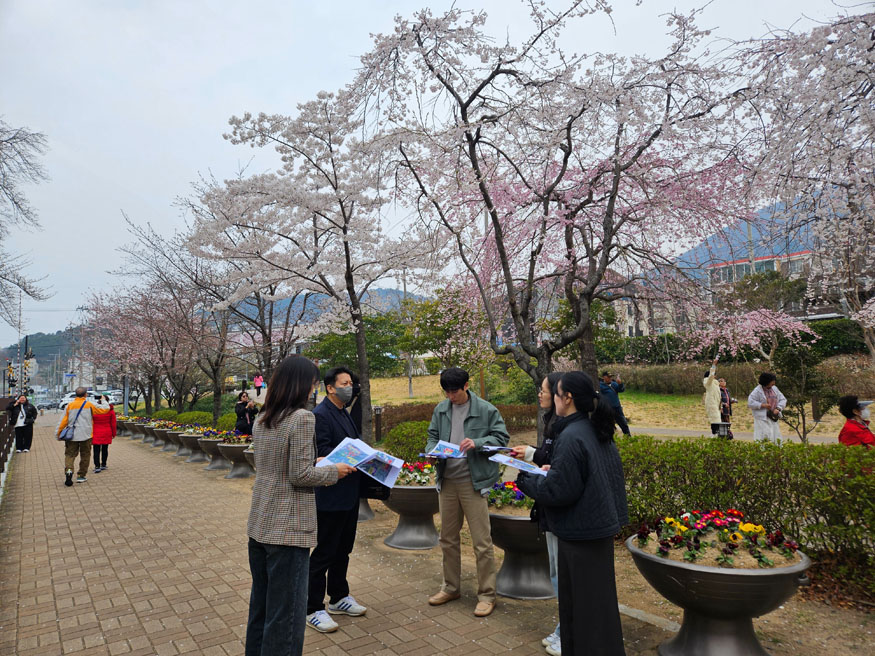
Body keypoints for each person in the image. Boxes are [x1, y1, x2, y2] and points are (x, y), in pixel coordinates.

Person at [245, 356, 356, 656]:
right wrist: (334, 471)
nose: (313, 388)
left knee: (261, 609)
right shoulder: (303, 418)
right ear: (301, 384)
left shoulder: (263, 417)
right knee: (287, 617)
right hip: (288, 529)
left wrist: (315, 462)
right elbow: (300, 475)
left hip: (260, 524)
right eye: (313, 382)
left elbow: (277, 465)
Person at [517, 371, 628, 656]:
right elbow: (585, 476)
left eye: (555, 393)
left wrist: (525, 479)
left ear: (567, 398)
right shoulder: (594, 428)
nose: (551, 398)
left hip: (580, 535)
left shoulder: (570, 435)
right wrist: (554, 471)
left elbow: (559, 491)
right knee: (598, 607)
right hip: (598, 529)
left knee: (580, 610)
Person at [425, 367, 509, 618]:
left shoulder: (486, 409)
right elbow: (432, 436)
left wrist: (478, 443)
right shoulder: (441, 409)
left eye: (455, 392)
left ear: (466, 386)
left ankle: (487, 595)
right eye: (447, 392)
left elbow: (501, 438)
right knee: (447, 538)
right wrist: (431, 450)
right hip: (447, 480)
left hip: (474, 481)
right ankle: (450, 588)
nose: (451, 396)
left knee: (481, 542)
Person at [306, 366, 366, 633]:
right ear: (330, 388)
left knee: (343, 549)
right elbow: (321, 451)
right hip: (330, 494)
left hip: (349, 493)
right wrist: (353, 454)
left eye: (351, 383)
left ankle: (339, 597)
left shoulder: (343, 412)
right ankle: (312, 607)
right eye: (345, 383)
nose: (350, 387)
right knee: (325, 552)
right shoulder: (320, 415)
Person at [509, 372, 563, 654]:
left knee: (562, 574)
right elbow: (550, 458)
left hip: (562, 514)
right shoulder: (553, 421)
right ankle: (564, 628)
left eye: (543, 390)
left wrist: (537, 464)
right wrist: (530, 453)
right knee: (555, 572)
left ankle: (569, 632)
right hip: (550, 512)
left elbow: (560, 468)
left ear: (561, 395)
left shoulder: (569, 428)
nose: (539, 394)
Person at [56, 387, 110, 486]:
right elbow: (105, 409)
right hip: (86, 434)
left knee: (70, 455)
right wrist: (103, 400)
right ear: (86, 395)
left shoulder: (69, 405)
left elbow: (63, 421)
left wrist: (58, 434)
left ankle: (69, 471)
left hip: (72, 435)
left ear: (76, 394)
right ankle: (81, 475)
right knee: (85, 455)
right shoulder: (89, 404)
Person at [747, 373, 787, 443]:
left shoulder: (774, 389)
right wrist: (762, 405)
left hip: (773, 416)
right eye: (772, 382)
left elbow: (783, 399)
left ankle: (775, 449)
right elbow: (750, 403)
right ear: (766, 382)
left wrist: (778, 408)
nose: (773, 384)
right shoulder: (757, 391)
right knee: (764, 436)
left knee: (775, 436)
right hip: (762, 418)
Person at [599, 371, 630, 435]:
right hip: (607, 409)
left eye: (611, 377)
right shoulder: (600, 386)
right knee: (608, 425)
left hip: (617, 408)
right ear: (604, 377)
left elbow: (621, 390)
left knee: (623, 423)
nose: (610, 378)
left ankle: (628, 436)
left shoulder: (614, 384)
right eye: (608, 377)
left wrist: (620, 384)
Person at [91, 395, 117, 472]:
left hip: (96, 431)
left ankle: (97, 466)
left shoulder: (94, 410)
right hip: (107, 431)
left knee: (96, 450)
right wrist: (113, 433)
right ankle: (104, 464)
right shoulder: (110, 410)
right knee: (105, 449)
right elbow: (113, 423)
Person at [703, 359, 721, 436]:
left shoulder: (715, 384)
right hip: (711, 404)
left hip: (716, 404)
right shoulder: (708, 382)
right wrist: (714, 365)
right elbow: (711, 377)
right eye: (714, 375)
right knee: (715, 419)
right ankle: (714, 434)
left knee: (716, 419)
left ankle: (715, 434)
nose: (715, 376)